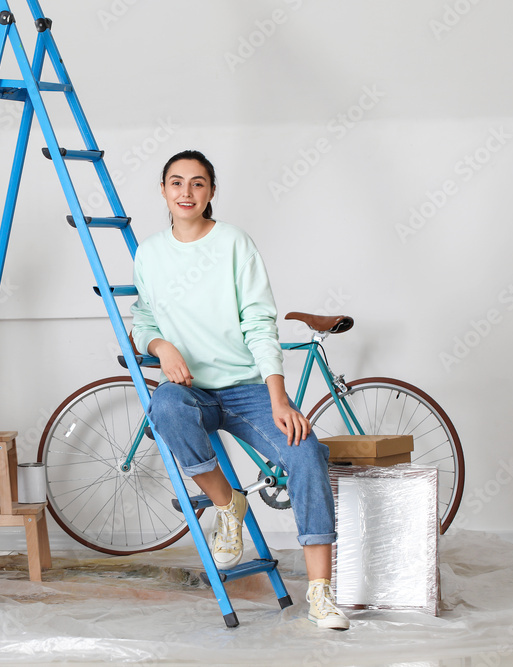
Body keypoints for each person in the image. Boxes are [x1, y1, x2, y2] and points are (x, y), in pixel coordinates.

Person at [131, 149, 349, 630]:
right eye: (176, 182)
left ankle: (320, 594)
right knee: (163, 406)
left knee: (306, 452)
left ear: (211, 192)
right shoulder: (149, 252)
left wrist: (278, 398)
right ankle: (229, 503)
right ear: (163, 190)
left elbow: (258, 321)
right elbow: (143, 316)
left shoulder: (234, 243)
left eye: (197, 183)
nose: (186, 192)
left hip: (248, 388)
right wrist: (161, 344)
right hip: (194, 392)